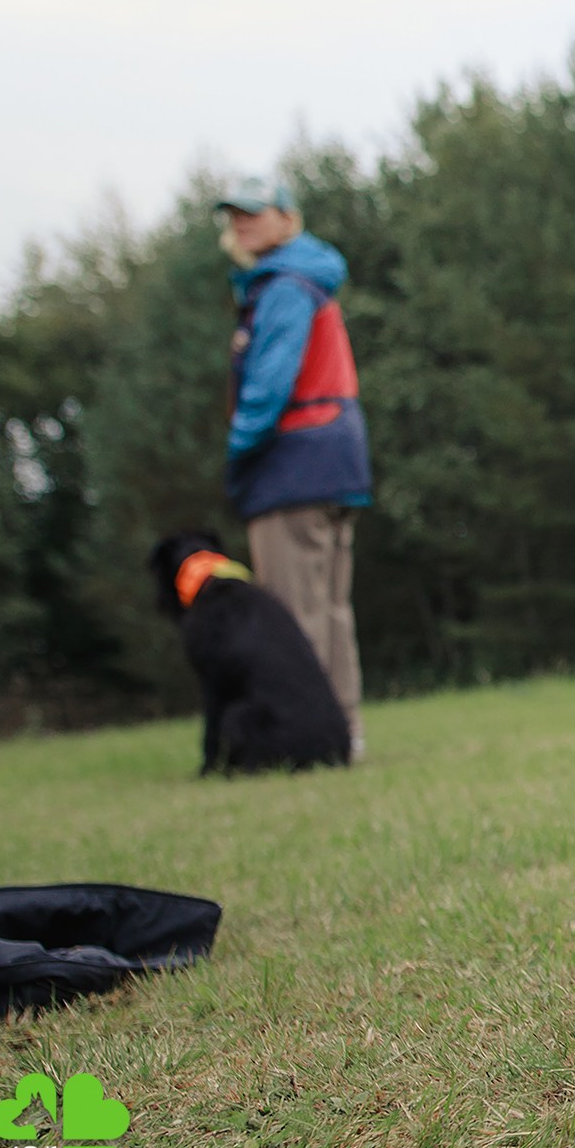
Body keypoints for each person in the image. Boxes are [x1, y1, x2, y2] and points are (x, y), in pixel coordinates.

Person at [216, 177, 372, 759]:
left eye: (254, 213)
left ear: (288, 218)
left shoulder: (282, 287)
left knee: (293, 612)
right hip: (337, 458)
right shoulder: (313, 279)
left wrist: (239, 449)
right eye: (234, 216)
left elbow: (269, 384)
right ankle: (342, 732)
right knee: (331, 607)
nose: (242, 225)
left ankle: (307, 738)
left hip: (293, 462)